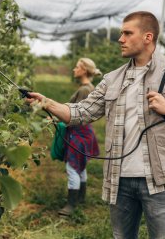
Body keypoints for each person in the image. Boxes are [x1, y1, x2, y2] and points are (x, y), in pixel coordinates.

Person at [27, 11, 165, 238]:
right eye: (120, 33)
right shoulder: (112, 78)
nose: (120, 39)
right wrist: (46, 103)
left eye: (127, 33)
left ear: (148, 37)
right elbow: (82, 112)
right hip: (120, 181)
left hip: (160, 180)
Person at [57, 58, 101, 216]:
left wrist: (58, 118)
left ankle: (71, 204)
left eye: (77, 67)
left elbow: (77, 114)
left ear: (84, 70)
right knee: (80, 166)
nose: (74, 69)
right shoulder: (88, 87)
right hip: (84, 132)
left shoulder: (84, 90)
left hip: (79, 133)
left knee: (72, 168)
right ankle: (80, 198)